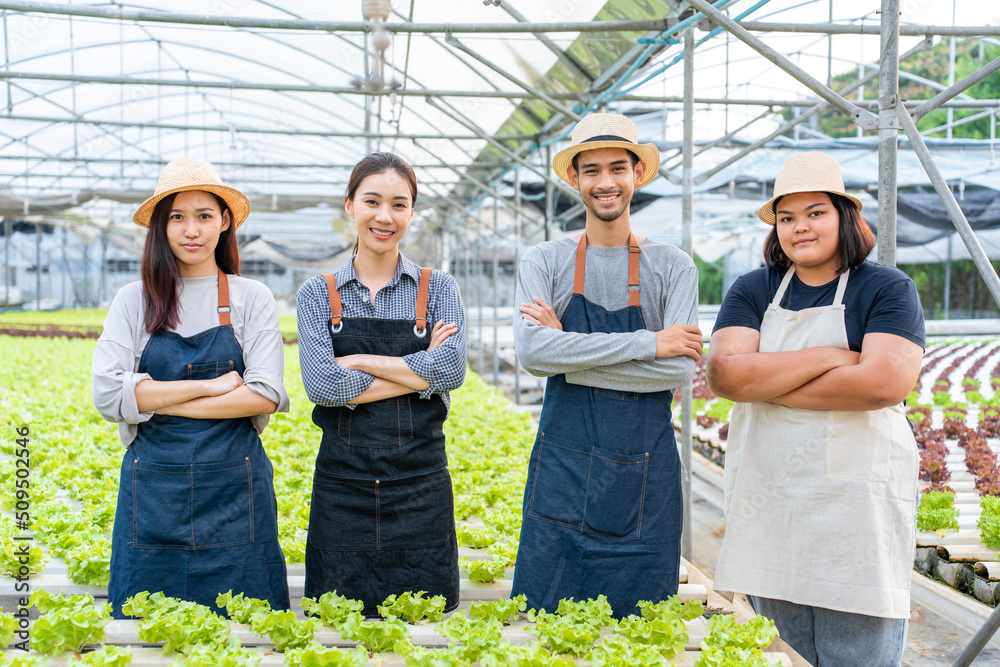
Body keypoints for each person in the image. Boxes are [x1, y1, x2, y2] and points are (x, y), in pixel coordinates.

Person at [707, 152, 924, 666]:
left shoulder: (886, 288)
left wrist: (768, 378)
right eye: (787, 217)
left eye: (816, 212)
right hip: (773, 497)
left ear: (845, 217)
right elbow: (726, 375)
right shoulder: (753, 288)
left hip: (854, 507)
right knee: (782, 651)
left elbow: (882, 383)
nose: (800, 227)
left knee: (859, 650)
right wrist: (830, 357)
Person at [510, 113, 702, 617]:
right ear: (574, 179)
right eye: (591, 170)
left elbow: (680, 372)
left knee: (641, 627)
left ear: (638, 173)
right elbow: (532, 354)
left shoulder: (673, 266)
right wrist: (649, 343)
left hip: (645, 481)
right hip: (563, 477)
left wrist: (566, 352)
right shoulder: (544, 261)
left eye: (618, 167)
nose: (605, 182)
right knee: (547, 628)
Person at [93, 158, 291, 616]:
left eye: (204, 216)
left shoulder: (251, 297)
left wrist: (156, 398)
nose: (191, 230)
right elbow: (106, 395)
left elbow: (263, 395)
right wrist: (217, 388)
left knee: (249, 634)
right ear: (161, 226)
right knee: (148, 635)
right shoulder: (133, 299)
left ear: (224, 221)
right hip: (154, 496)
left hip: (235, 493)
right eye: (177, 217)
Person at [296, 152, 466, 616]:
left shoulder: (439, 288)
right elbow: (323, 386)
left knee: (425, 621)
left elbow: (452, 372)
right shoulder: (317, 293)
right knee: (338, 622)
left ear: (412, 212)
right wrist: (419, 369)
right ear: (350, 205)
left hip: (420, 486)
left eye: (399, 204)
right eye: (372, 201)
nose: (384, 216)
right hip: (342, 489)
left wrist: (359, 359)